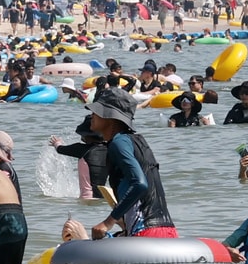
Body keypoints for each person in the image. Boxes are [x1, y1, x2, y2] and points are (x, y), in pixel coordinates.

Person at [87, 88, 177, 239]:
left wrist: (108, 222)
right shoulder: (137, 141)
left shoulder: (118, 143)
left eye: (97, 112)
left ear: (111, 118)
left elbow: (140, 184)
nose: (92, 115)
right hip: (168, 231)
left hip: (146, 233)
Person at [50, 115, 109, 200]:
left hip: (87, 197)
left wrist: (56, 143)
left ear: (87, 135)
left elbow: (60, 149)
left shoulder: (81, 149)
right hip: (103, 196)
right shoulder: (108, 149)